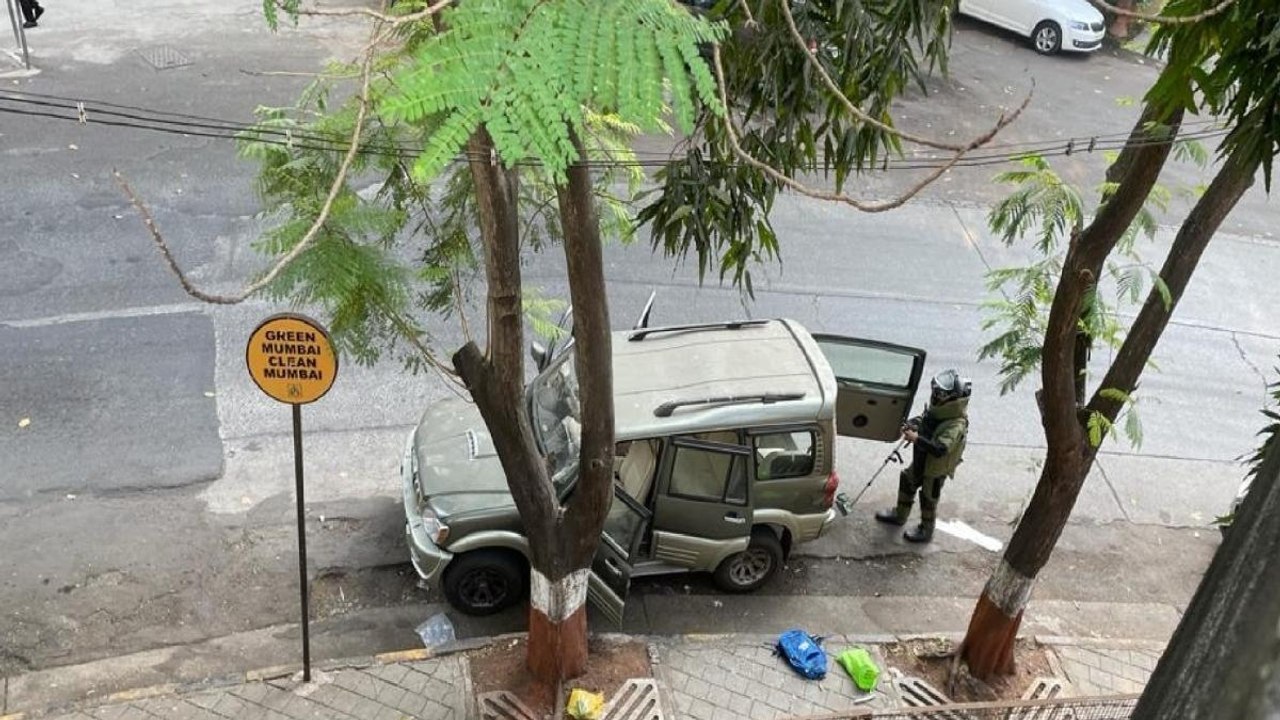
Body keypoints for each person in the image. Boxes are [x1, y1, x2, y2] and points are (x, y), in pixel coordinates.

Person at [874, 369, 971, 543]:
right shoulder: (939, 412)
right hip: (921, 459)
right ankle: (900, 515)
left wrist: (916, 439)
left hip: (935, 469)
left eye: (941, 394)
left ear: (952, 398)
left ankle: (926, 530)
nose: (936, 395)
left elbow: (940, 449)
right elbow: (924, 419)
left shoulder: (955, 424)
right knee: (907, 481)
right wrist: (911, 424)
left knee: (928, 498)